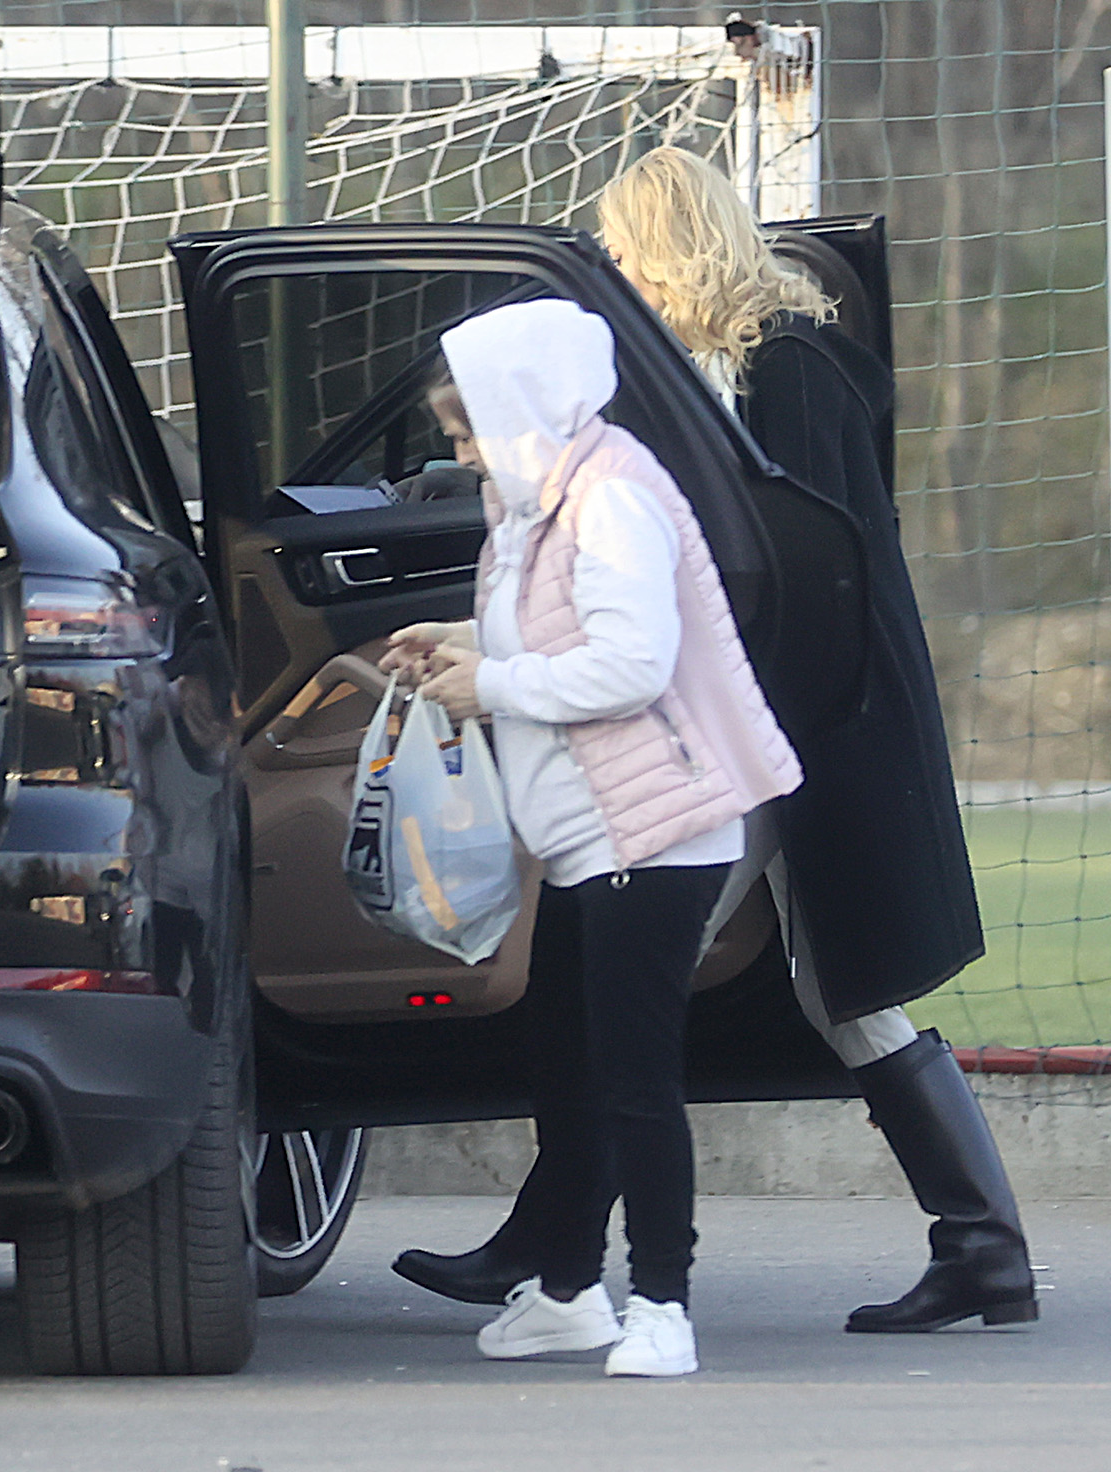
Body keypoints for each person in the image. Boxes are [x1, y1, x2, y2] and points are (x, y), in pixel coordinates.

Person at [393, 147, 1039, 1337]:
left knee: (633, 977)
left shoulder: (783, 371)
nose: (614, 271)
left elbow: (800, 573)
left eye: (625, 249)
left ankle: (559, 1256)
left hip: (787, 733)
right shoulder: (730, 373)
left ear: (669, 248)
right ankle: (982, 1248)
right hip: (782, 731)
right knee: (819, 991)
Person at [380, 297, 803, 1376]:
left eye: (469, 429)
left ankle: (663, 1303)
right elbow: (553, 630)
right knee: (569, 1071)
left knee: (634, 1080)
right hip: (589, 839)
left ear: (525, 409)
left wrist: (492, 684)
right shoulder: (539, 503)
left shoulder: (610, 500)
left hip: (651, 834)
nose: (461, 452)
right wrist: (458, 642)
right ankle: (568, 1291)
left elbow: (632, 664)